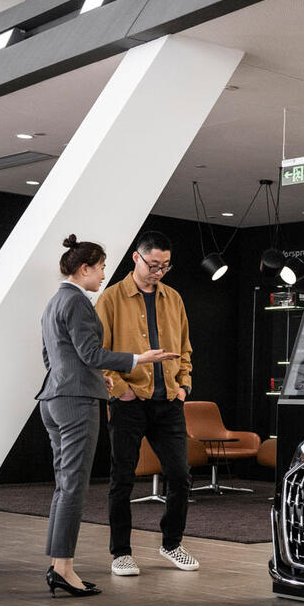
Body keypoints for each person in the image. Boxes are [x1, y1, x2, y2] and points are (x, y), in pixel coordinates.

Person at [37, 235, 175, 597]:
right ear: (84, 269)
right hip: (76, 401)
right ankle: (64, 569)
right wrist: (137, 359)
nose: (102, 276)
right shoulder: (79, 303)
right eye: (99, 269)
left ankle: (57, 565)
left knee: (63, 486)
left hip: (53, 399)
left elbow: (50, 357)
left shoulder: (54, 302)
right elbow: (92, 354)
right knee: (73, 488)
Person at [96, 230, 199, 576]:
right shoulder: (110, 299)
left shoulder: (174, 298)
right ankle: (121, 553)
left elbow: (185, 347)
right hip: (129, 402)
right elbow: (101, 352)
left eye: (165, 267)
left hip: (168, 401)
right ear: (136, 258)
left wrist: (183, 385)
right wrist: (121, 389)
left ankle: (172, 543)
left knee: (180, 475)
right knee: (122, 478)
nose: (159, 272)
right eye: (154, 265)